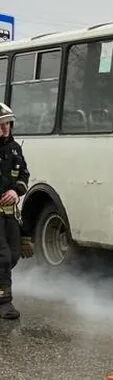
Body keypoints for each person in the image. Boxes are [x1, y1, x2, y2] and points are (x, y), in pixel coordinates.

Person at [0, 103, 30, 320]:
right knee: (2, 257)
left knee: (13, 255)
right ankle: (5, 304)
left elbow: (24, 175)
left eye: (7, 124)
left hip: (9, 214)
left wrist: (16, 190)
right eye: (0, 125)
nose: (4, 129)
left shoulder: (14, 149)